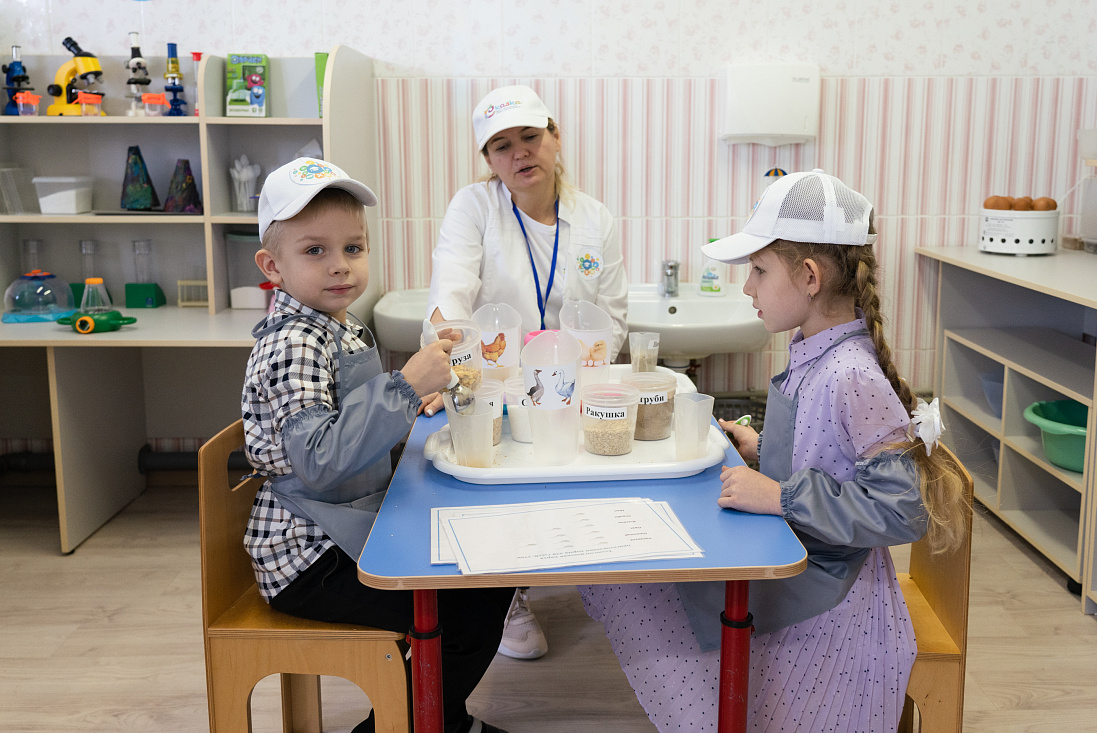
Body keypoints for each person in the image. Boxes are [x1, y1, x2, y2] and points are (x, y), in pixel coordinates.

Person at [579, 170, 970, 732]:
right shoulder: (814, 349)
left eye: (759, 271)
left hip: (832, 598)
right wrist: (762, 449)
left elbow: (901, 509)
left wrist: (781, 494)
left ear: (809, 276)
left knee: (634, 586)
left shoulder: (850, 372)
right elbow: (831, 458)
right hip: (802, 561)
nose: (747, 288)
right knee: (634, 579)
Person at [242, 157, 514, 733]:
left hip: (342, 523)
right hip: (307, 557)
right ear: (273, 266)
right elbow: (318, 460)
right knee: (463, 610)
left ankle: (430, 719)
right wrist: (404, 387)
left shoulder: (339, 323)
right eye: (315, 251)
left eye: (354, 248)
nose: (340, 267)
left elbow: (358, 427)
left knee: (490, 578)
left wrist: (419, 403)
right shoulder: (294, 343)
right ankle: (412, 724)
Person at [426, 85, 629, 660]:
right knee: (496, 481)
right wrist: (450, 360)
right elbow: (453, 287)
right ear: (488, 161)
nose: (520, 154)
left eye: (530, 137)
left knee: (575, 478)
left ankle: (608, 585)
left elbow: (612, 316)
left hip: (573, 379)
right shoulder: (476, 207)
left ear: (555, 136)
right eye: (501, 146)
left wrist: (568, 363)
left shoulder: (594, 219)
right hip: (496, 381)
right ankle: (506, 593)